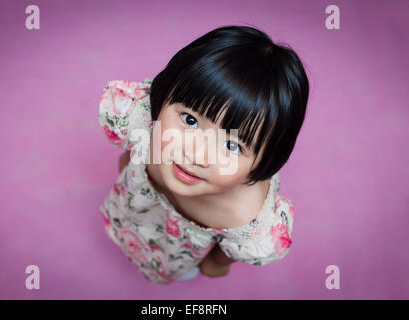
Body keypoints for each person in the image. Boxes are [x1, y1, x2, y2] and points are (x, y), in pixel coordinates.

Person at [98, 25, 308, 285]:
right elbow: (130, 158)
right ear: (162, 99)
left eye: (232, 145)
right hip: (133, 210)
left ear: (263, 163)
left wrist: (214, 263)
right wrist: (131, 178)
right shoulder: (146, 124)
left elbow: (219, 260)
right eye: (189, 119)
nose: (196, 154)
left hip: (176, 252)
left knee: (172, 263)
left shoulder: (244, 215)